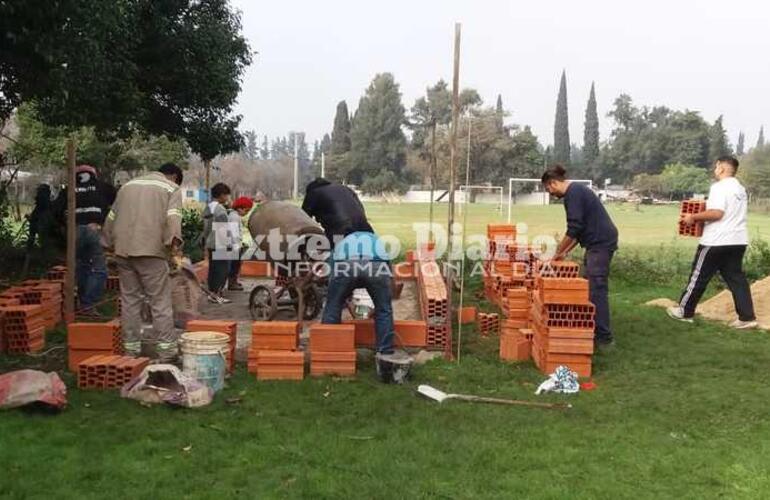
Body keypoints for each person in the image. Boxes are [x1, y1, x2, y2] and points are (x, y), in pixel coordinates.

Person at [302, 178, 398, 380]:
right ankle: (385, 354)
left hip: (345, 263)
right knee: (384, 310)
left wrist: (323, 281)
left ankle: (329, 350)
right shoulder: (371, 235)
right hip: (377, 265)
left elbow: (302, 219)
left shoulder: (316, 196)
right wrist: (383, 300)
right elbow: (390, 274)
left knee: (333, 304)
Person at [102, 163, 184, 360]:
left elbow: (112, 217)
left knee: (130, 301)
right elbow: (173, 220)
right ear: (173, 176)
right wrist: (175, 250)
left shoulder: (127, 186)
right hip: (151, 252)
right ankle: (166, 351)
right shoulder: (171, 188)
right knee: (160, 302)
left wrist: (107, 243)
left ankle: (130, 350)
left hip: (123, 251)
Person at [668, 156, 757, 328]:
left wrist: (692, 217)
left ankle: (684, 312)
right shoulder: (740, 189)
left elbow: (717, 213)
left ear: (722, 168)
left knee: (698, 276)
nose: (715, 170)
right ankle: (747, 318)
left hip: (716, 241)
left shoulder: (719, 187)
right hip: (738, 241)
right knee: (736, 279)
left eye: (716, 167)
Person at [541, 165, 619, 349]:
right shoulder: (577, 191)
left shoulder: (572, 194)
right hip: (596, 242)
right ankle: (588, 328)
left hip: (600, 243)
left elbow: (574, 228)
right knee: (586, 286)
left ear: (553, 183)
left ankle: (604, 339)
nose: (550, 193)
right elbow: (580, 230)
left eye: (548, 189)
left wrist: (557, 252)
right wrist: (565, 253)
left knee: (596, 289)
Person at [54, 165, 117, 316]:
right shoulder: (104, 187)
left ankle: (81, 303)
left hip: (74, 231)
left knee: (81, 267)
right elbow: (119, 205)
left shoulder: (68, 189)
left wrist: (65, 227)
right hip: (95, 230)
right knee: (98, 269)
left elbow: (56, 211)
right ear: (94, 175)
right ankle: (88, 304)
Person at [202, 182, 232, 302]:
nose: (227, 198)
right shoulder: (220, 210)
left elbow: (206, 228)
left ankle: (212, 293)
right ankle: (218, 294)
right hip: (220, 243)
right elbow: (223, 229)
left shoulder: (208, 207)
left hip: (210, 242)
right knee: (222, 269)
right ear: (221, 195)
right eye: (226, 195)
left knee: (213, 269)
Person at [226, 196, 254, 291]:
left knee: (236, 265)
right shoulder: (234, 217)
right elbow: (234, 234)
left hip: (234, 245)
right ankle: (232, 283)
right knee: (234, 265)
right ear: (239, 208)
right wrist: (237, 246)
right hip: (234, 246)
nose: (246, 213)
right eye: (246, 211)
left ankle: (234, 282)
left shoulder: (235, 216)